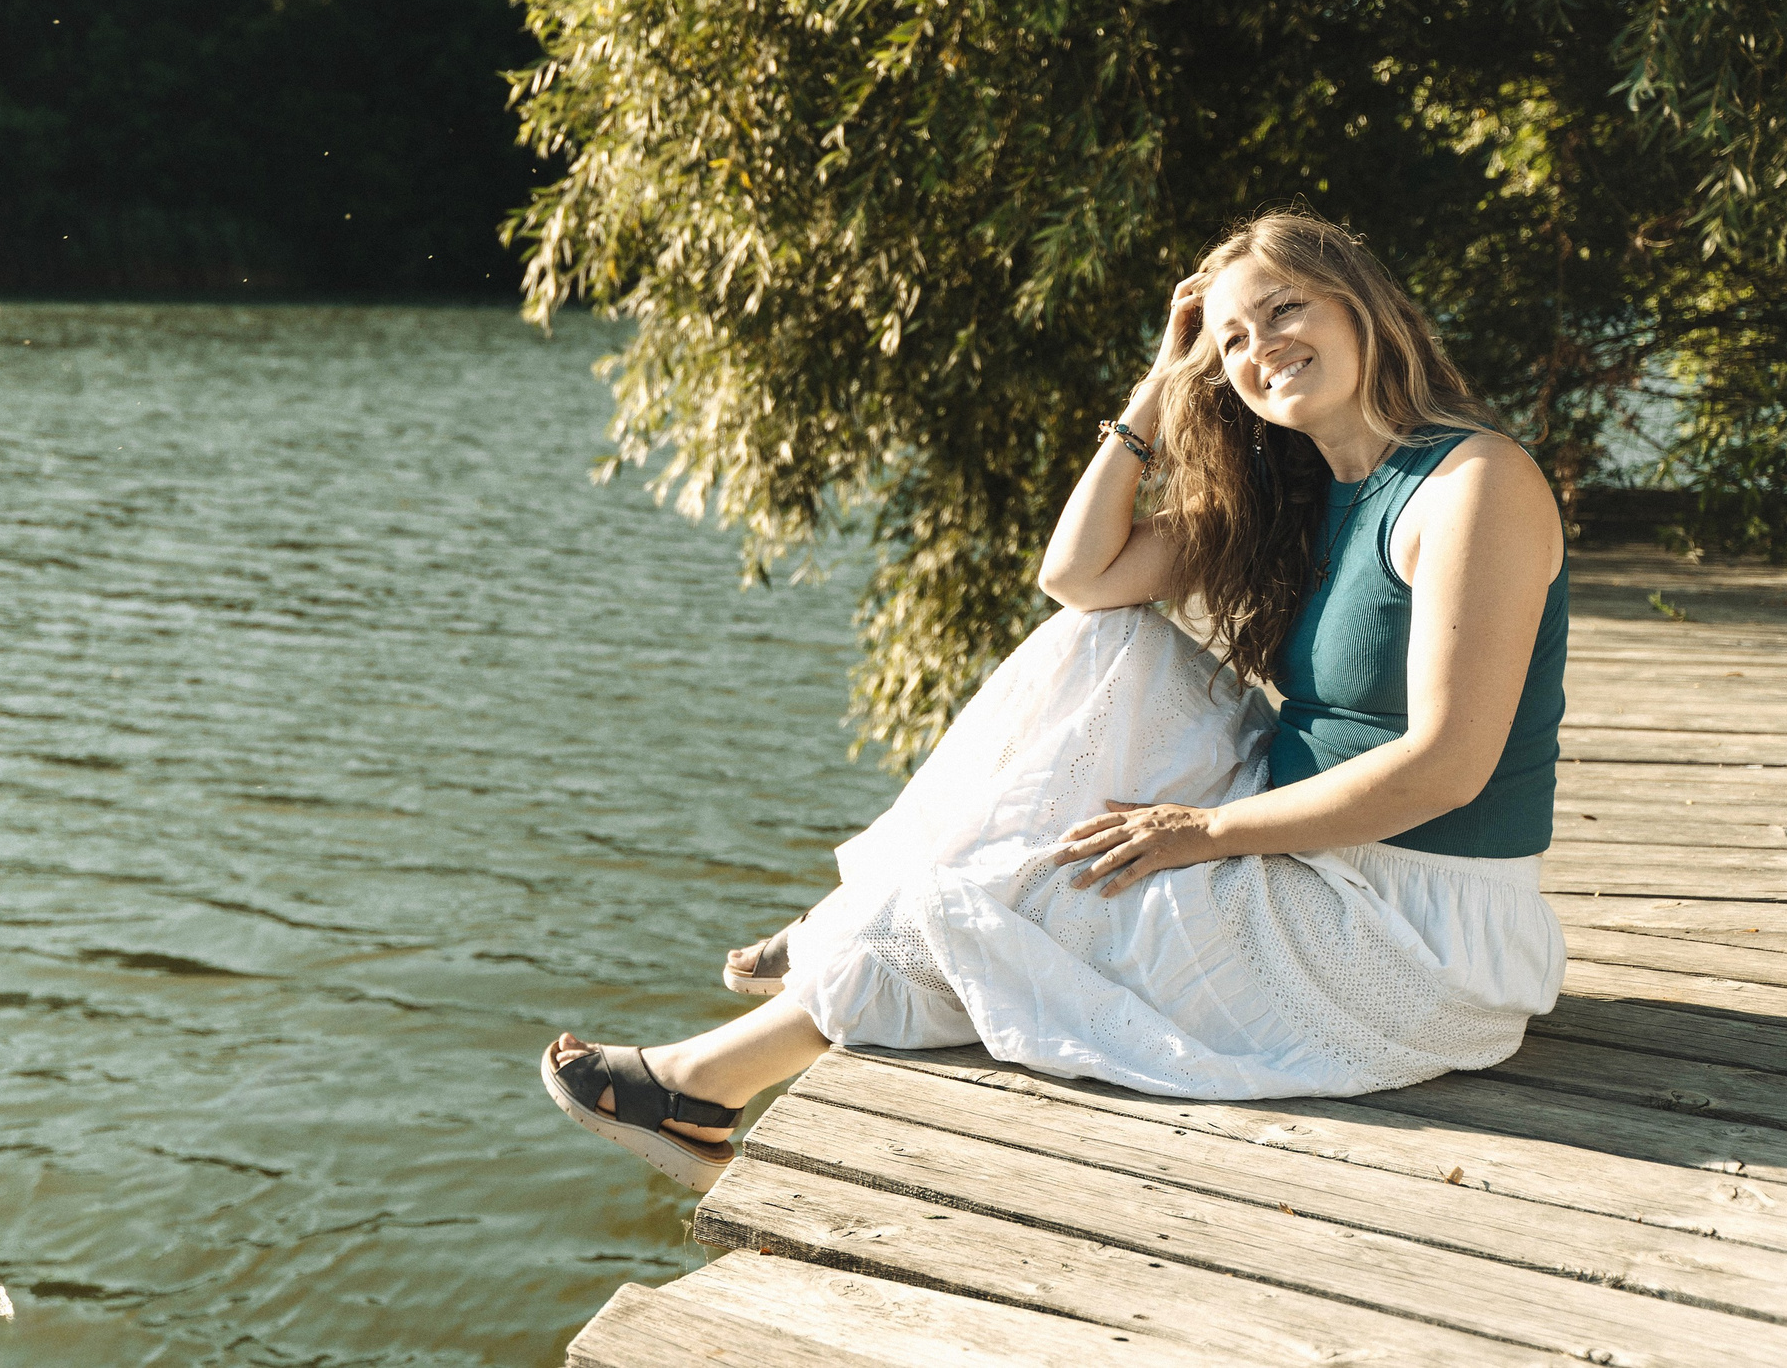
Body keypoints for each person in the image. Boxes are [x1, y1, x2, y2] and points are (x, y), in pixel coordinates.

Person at [541, 209, 1569, 1192]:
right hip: (1306, 847)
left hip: (1409, 931)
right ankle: (846, 932)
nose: (1263, 348)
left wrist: (1203, 829)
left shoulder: (1472, 480)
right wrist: (1159, 384)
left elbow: (1446, 766)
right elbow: (1076, 578)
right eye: (1233, 340)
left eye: (1287, 310)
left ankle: (695, 1088)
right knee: (1102, 640)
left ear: (1360, 306)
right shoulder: (1305, 489)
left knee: (1004, 903)